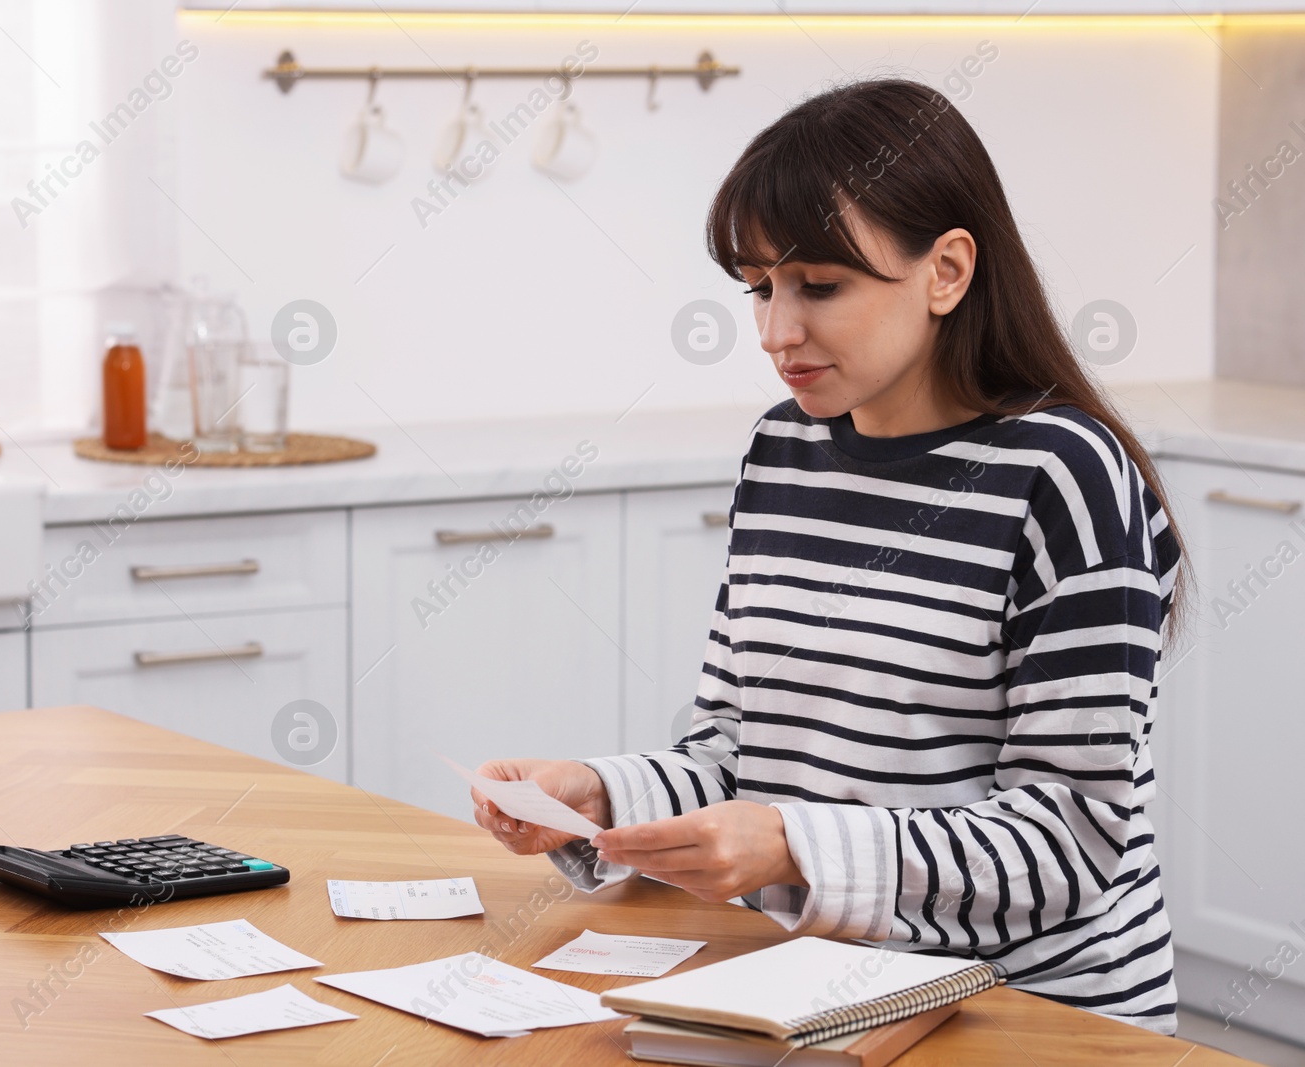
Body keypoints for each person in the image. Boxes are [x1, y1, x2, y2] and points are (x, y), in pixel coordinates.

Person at [472, 78, 1185, 1035]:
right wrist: (598, 795)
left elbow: (1069, 840)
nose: (775, 331)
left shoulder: (1063, 476)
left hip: (1034, 1014)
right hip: (820, 991)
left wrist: (791, 845)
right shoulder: (784, 448)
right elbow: (742, 751)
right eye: (760, 288)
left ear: (947, 270)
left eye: (820, 284)